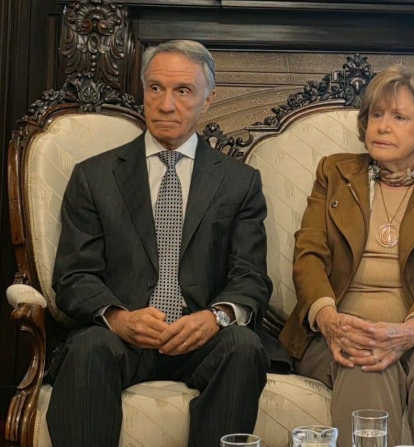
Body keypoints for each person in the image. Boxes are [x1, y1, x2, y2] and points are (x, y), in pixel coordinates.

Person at [47, 40, 273, 447]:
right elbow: (74, 276)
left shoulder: (239, 183)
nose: (166, 105)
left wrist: (215, 317)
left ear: (208, 99)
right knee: (88, 347)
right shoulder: (94, 177)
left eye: (183, 91)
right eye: (156, 88)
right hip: (119, 338)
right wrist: (119, 318)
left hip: (200, 337)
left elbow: (250, 276)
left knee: (243, 346)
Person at [279, 64, 414, 447]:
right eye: (376, 115)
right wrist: (329, 319)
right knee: (364, 360)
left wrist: (409, 330)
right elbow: (308, 255)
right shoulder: (334, 172)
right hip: (340, 331)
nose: (383, 126)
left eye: (399, 117)